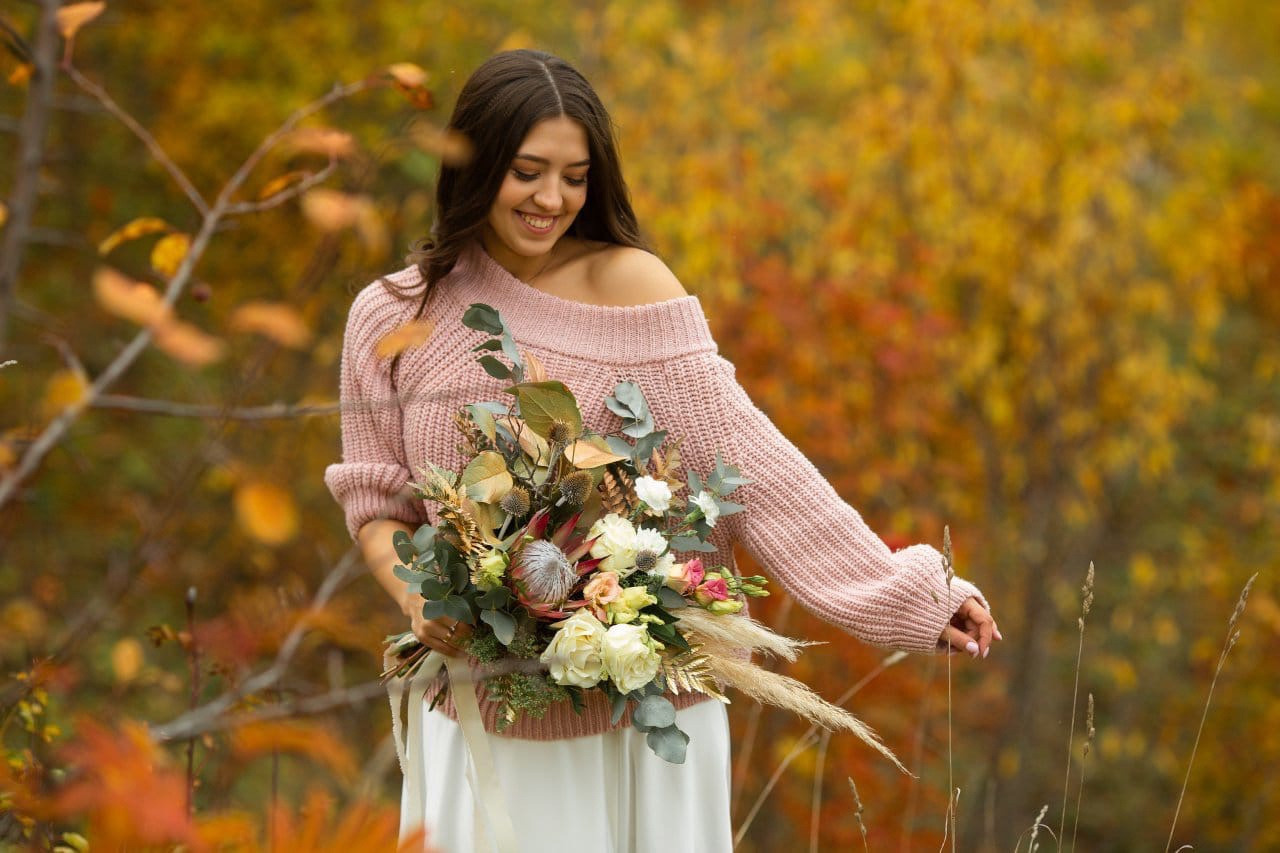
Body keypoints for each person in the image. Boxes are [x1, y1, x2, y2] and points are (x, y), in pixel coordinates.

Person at [325, 48, 999, 853]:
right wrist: (417, 598)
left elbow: (753, 460)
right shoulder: (395, 315)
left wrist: (912, 592)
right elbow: (378, 506)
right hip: (480, 707)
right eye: (527, 172)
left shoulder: (633, 285)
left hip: (643, 718)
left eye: (574, 177)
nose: (551, 200)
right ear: (475, 166)